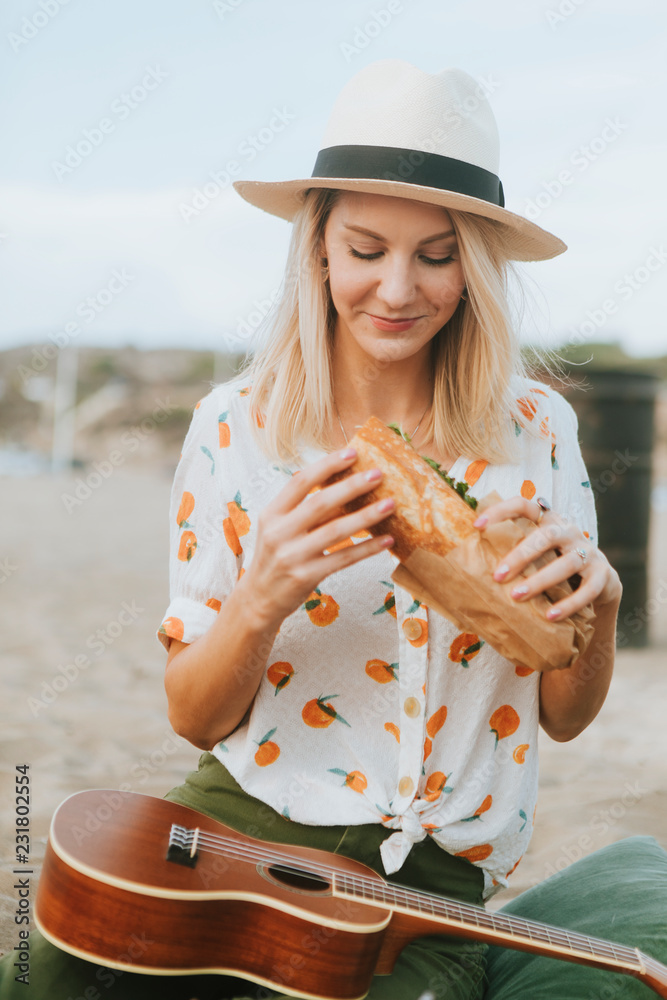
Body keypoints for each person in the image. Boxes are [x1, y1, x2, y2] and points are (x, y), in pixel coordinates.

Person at [0, 61, 624, 1000]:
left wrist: (600, 607)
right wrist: (264, 591)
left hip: (428, 882)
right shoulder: (234, 426)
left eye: (437, 254)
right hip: (235, 823)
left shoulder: (536, 433)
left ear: (477, 264)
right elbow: (195, 716)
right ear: (318, 251)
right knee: (39, 959)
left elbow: (565, 717)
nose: (397, 288)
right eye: (365, 248)